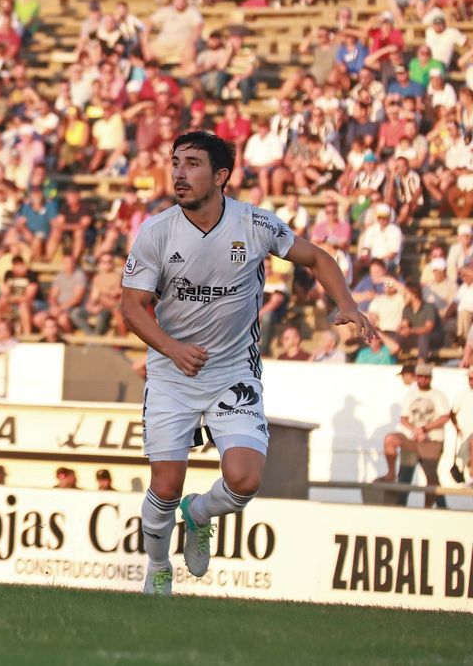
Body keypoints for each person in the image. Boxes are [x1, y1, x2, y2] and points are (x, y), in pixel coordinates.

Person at [119, 131, 377, 596]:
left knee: (244, 480)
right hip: (171, 373)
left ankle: (199, 514)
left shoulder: (255, 224)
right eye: (175, 162)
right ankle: (158, 566)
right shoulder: (156, 231)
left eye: (192, 164)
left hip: (234, 371)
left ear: (221, 176)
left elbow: (317, 258)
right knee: (165, 485)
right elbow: (133, 307)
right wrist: (172, 349)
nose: (179, 172)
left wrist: (349, 304)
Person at [383, 363, 451, 508]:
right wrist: (416, 430)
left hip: (431, 440)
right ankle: (399, 502)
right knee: (405, 475)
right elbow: (404, 418)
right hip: (413, 440)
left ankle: (436, 508)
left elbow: (445, 417)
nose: (423, 380)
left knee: (431, 476)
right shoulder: (412, 394)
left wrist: (425, 430)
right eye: (420, 377)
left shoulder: (437, 395)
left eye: (425, 377)